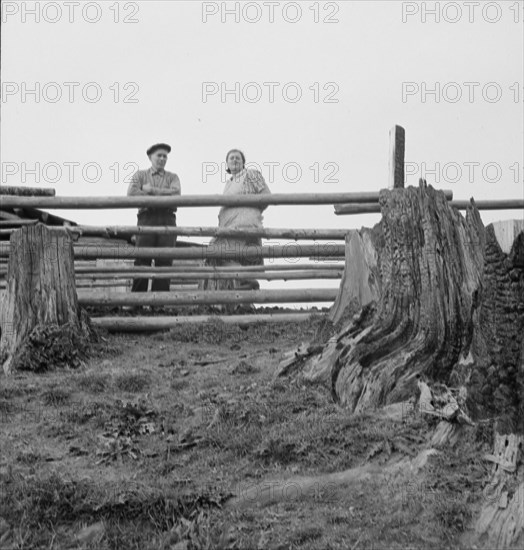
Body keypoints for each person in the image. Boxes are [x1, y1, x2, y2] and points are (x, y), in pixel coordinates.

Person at [203, 149, 271, 298]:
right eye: (231, 158)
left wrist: (249, 213)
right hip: (229, 227)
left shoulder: (250, 174)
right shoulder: (229, 183)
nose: (235, 160)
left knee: (218, 253)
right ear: (226, 163)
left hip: (243, 226)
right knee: (239, 259)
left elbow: (266, 196)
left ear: (243, 162)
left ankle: (250, 282)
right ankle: (246, 303)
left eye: (238, 158)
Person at [127, 143, 181, 293]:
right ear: (150, 157)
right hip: (146, 218)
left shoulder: (173, 177)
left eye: (165, 156)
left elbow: (176, 195)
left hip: (167, 219)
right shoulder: (140, 175)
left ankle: (159, 305)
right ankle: (137, 302)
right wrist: (164, 194)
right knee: (142, 259)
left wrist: (151, 191)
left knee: (164, 260)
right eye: (159, 155)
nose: (162, 158)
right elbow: (132, 194)